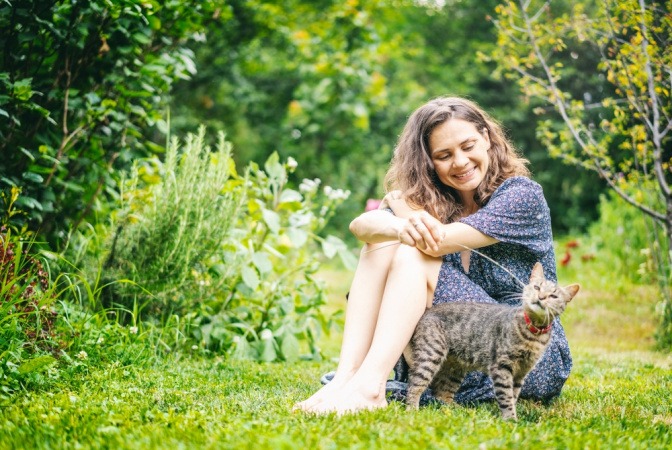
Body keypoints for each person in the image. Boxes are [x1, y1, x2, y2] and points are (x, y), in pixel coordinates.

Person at [294, 96, 571, 414]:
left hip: (525, 357)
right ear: (429, 162)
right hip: (458, 357)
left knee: (413, 252)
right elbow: (361, 227)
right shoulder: (438, 205)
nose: (460, 162)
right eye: (444, 155)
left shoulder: (521, 195)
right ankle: (346, 378)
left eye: (468, 146)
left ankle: (370, 388)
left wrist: (400, 211)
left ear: (486, 137)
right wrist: (399, 222)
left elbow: (434, 244)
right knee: (384, 242)